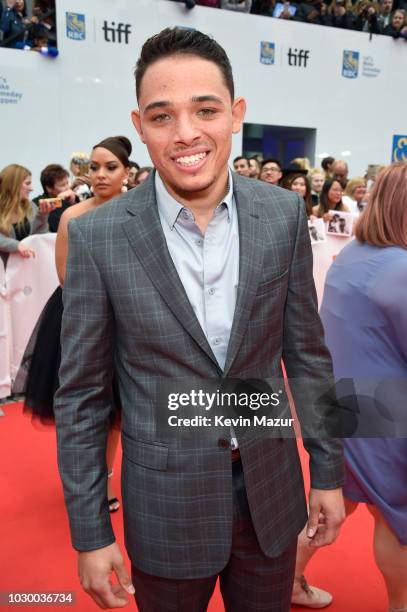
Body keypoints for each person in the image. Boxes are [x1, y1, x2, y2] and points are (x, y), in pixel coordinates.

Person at [54, 27, 345, 612]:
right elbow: (83, 395)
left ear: (235, 114)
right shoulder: (99, 237)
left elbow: (307, 354)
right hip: (164, 503)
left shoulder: (282, 212)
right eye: (162, 117)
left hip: (270, 488)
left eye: (205, 110)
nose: (186, 134)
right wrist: (91, 532)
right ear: (140, 126)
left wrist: (329, 470)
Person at [294, 162, 407, 612]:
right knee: (398, 516)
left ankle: (287, 578)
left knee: (337, 502)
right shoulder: (399, 268)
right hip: (384, 413)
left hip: (340, 402)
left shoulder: (357, 252)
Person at [16, 136, 132, 513]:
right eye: (94, 167)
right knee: (83, 407)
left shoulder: (139, 213)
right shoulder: (73, 215)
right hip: (79, 320)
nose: (100, 175)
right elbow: (65, 275)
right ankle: (85, 482)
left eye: (110, 167)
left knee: (117, 412)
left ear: (126, 172)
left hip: (129, 324)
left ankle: (108, 482)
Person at [0, 163, 53, 262]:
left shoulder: (30, 206)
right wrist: (16, 245)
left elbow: (38, 235)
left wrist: (42, 216)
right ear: (13, 185)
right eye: (27, 183)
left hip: (26, 268)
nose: (32, 188)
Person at [33, 164, 73, 232]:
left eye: (67, 183)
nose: (68, 188)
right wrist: (59, 200)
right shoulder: (37, 204)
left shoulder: (71, 198)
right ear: (49, 188)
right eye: (62, 185)